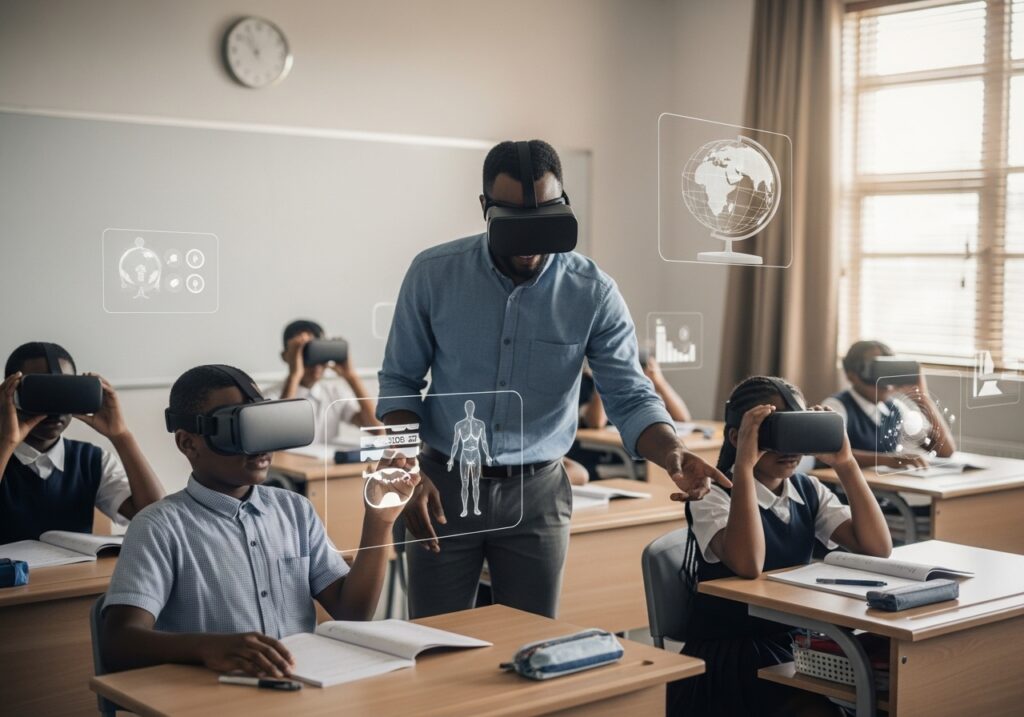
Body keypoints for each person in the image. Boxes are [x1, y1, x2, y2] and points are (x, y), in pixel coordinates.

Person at [378, 139, 728, 619]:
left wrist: (672, 451)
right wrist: (404, 473)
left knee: (532, 646)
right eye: (516, 223)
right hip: (443, 487)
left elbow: (627, 394)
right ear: (485, 208)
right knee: (438, 645)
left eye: (546, 220)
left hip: (539, 492)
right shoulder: (433, 274)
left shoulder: (592, 292)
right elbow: (399, 381)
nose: (532, 243)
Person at [100, 364, 417, 676]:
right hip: (214, 699)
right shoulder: (159, 527)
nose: (257, 444)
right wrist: (206, 648)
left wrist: (378, 521)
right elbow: (118, 643)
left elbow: (353, 613)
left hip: (303, 687)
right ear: (188, 442)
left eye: (260, 423)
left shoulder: (294, 510)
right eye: (234, 428)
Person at [668, 376, 891, 717]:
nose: (789, 450)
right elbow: (748, 563)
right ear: (738, 437)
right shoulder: (710, 494)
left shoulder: (807, 489)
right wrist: (743, 465)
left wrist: (845, 463)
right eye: (773, 435)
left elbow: (876, 547)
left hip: (796, 641)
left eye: (796, 432)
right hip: (733, 655)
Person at [0, 341, 164, 543]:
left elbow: (158, 518)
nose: (54, 406)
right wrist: (6, 441)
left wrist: (121, 436)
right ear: (11, 395)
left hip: (77, 575)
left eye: (64, 390)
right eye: (41, 391)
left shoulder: (91, 460)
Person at [822, 340, 956, 469]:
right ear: (851, 376)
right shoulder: (837, 407)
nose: (884, 380)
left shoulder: (896, 409)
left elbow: (945, 451)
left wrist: (923, 398)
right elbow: (828, 453)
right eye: (875, 369)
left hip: (885, 490)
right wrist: (889, 460)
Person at [569, 352, 693, 480]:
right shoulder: (585, 384)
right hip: (602, 462)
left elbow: (683, 419)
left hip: (636, 462)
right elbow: (596, 422)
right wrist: (603, 380)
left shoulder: (642, 390)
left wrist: (659, 381)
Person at [269, 320, 379, 445]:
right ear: (285, 356)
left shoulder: (334, 393)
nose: (315, 362)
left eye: (319, 351)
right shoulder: (271, 398)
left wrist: (351, 376)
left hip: (324, 464)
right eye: (306, 353)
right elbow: (278, 437)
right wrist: (294, 375)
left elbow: (377, 429)